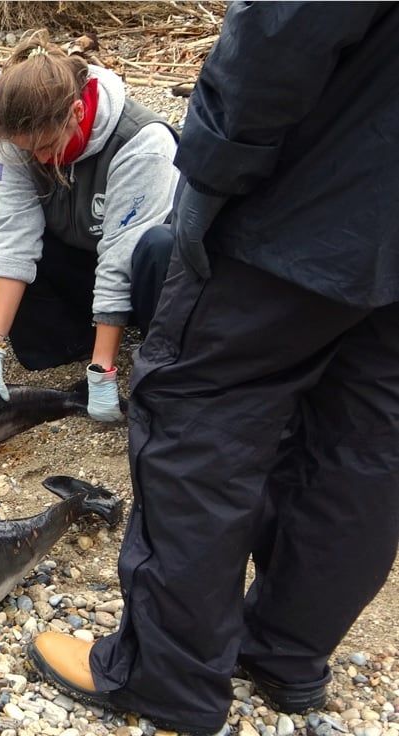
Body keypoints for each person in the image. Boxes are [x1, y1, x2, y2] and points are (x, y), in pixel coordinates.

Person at [26, 4, 399, 735]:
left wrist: (211, 176)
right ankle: (286, 654)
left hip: (306, 202)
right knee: (364, 444)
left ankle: (164, 677)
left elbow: (282, 28)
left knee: (198, 425)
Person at [0, 35, 178, 423]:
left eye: (48, 147)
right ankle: (72, 343)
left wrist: (102, 373)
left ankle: (139, 348)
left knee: (158, 247)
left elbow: (119, 261)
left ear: (77, 112)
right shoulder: (24, 136)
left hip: (141, 274)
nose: (41, 160)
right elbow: (14, 235)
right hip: (80, 256)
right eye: (30, 152)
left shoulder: (141, 143)